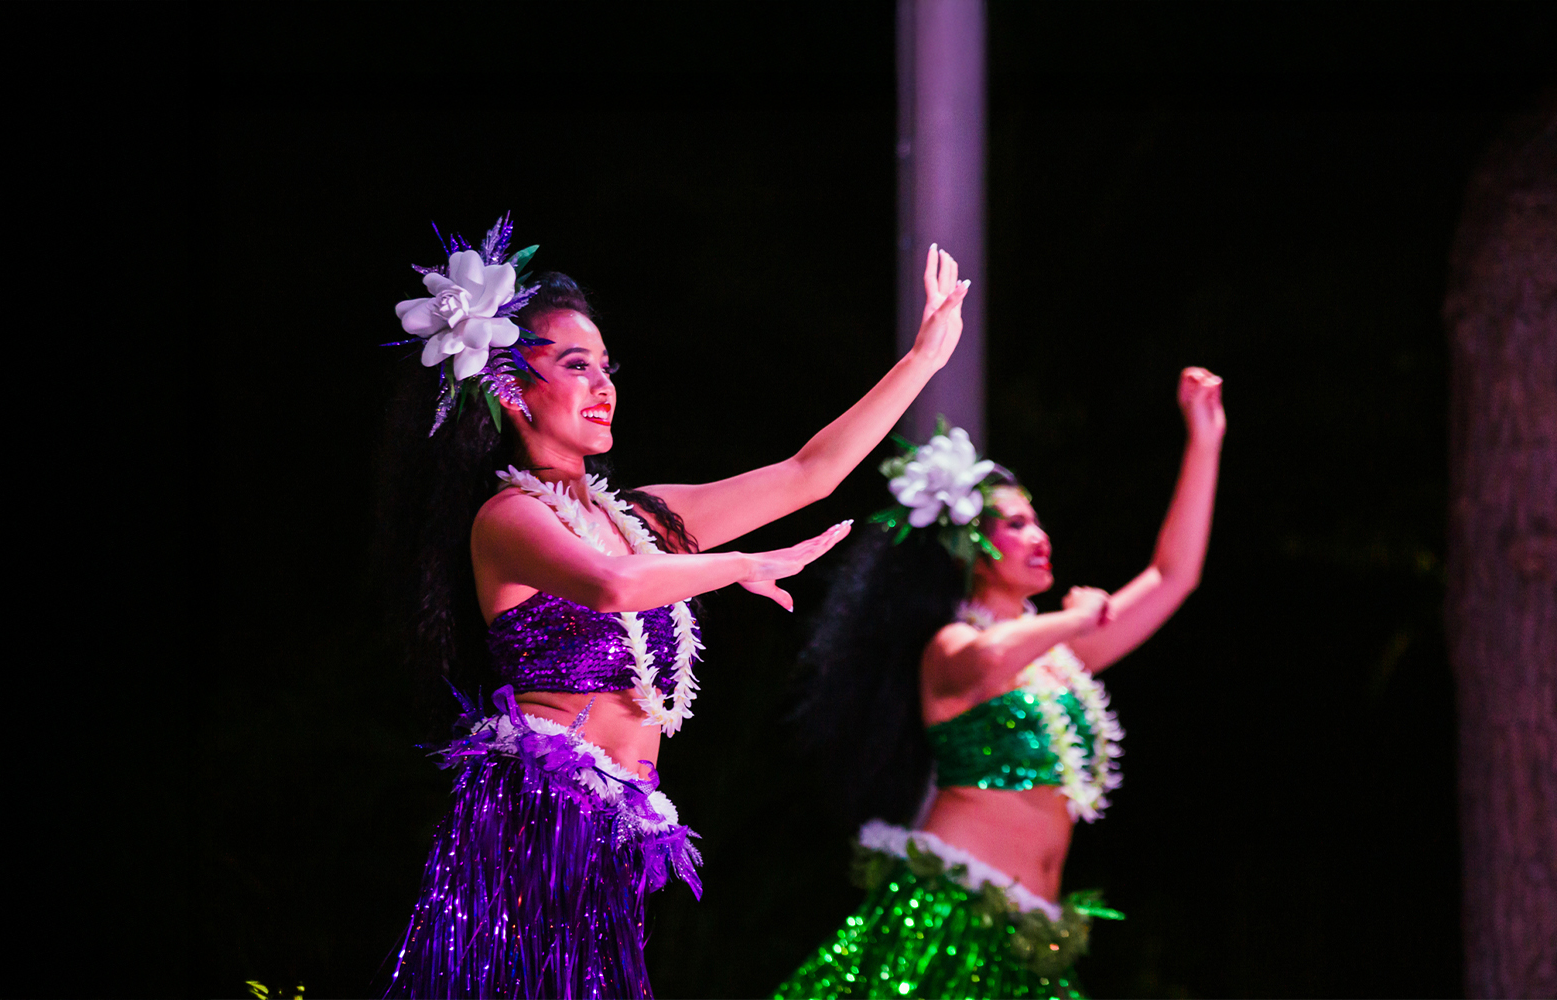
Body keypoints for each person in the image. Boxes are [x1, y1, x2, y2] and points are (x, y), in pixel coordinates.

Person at [379, 216, 971, 999]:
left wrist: (923, 359)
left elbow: (808, 474)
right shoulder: (509, 520)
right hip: (535, 823)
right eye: (575, 364)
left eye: (606, 365)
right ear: (510, 391)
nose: (603, 385)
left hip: (615, 831)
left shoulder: (648, 518)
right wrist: (735, 566)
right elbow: (612, 586)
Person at [776, 368, 1225, 999]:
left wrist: (1205, 441)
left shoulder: (1060, 658)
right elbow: (988, 662)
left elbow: (1173, 576)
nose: (1038, 537)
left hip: (1029, 934)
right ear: (968, 548)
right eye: (1015, 525)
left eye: (1036, 521)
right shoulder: (950, 648)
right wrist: (1074, 617)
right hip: (951, 916)